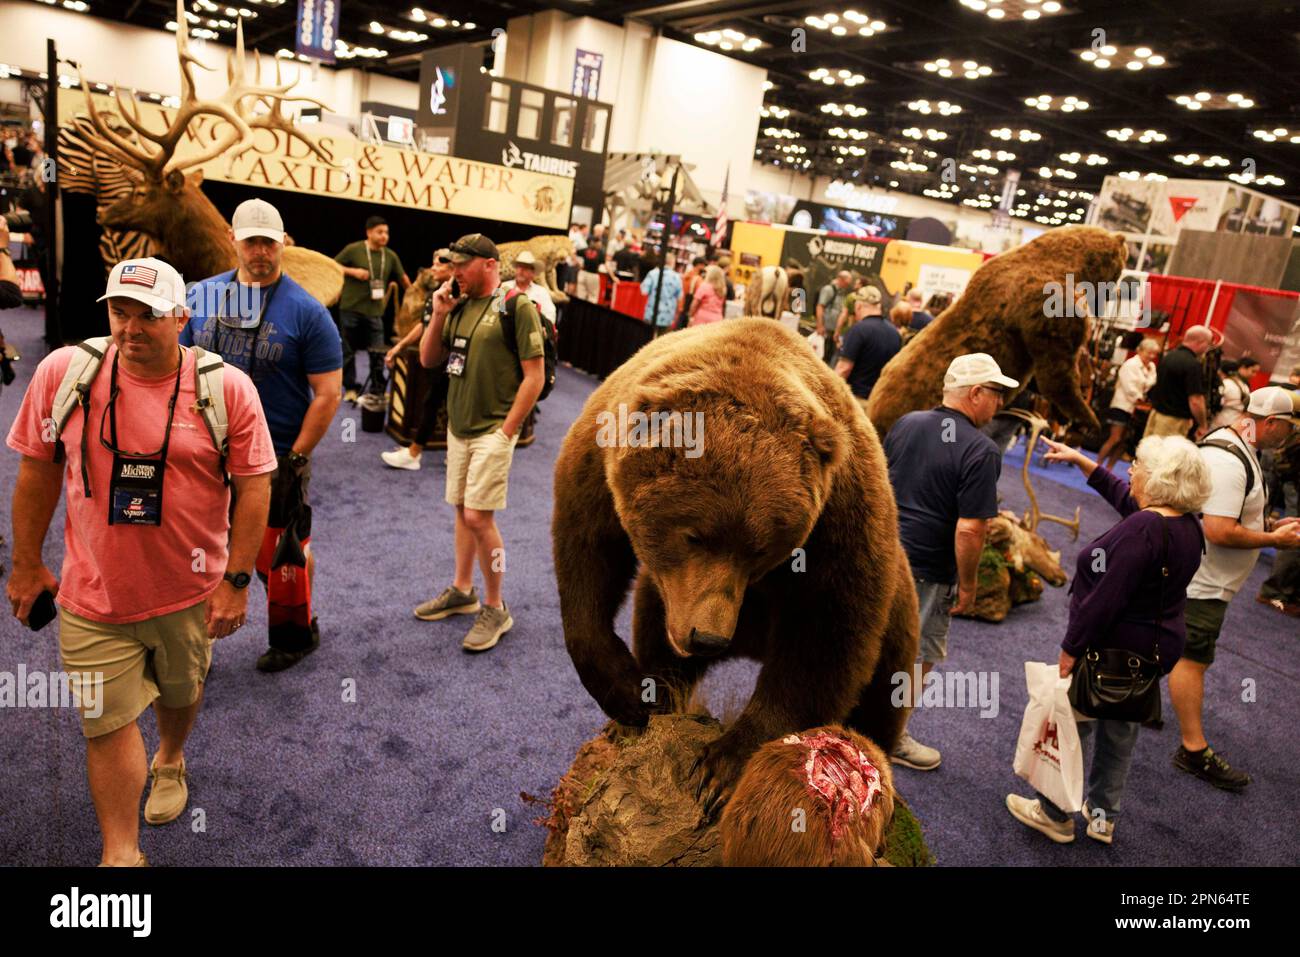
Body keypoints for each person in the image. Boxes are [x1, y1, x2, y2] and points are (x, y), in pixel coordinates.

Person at [6, 257, 276, 865]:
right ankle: (120, 855)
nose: (129, 328)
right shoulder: (64, 373)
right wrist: (25, 564)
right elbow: (36, 469)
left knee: (180, 694)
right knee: (104, 722)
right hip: (92, 594)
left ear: (181, 317)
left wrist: (236, 581)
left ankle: (172, 757)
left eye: (148, 315)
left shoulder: (225, 388)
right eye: (118, 311)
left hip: (188, 592)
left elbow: (255, 485)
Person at [1006, 435, 1211, 844]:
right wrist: (1083, 462)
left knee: (1073, 728)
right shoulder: (1187, 525)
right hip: (1152, 652)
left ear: (1160, 480)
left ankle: (1052, 814)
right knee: (1121, 734)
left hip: (1109, 648)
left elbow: (1105, 600)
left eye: (1137, 465)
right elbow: (1127, 500)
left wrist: (1071, 647)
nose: (1130, 471)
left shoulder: (1143, 529)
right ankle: (1102, 818)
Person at [181, 199, 343, 671]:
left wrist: (296, 457)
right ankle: (194, 649)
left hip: (277, 453)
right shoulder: (202, 296)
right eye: (250, 240)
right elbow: (180, 363)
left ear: (283, 244)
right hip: (206, 448)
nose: (260, 251)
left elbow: (328, 393)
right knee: (199, 546)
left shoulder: (307, 311)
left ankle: (297, 631)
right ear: (233, 240)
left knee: (279, 553)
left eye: (269, 242)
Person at [883, 353, 1016, 770]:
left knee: (868, 644)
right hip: (928, 570)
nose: (999, 404)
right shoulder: (982, 450)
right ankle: (889, 736)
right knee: (917, 656)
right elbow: (970, 530)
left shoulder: (907, 422)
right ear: (975, 393)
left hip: (884, 556)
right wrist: (970, 584)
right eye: (996, 393)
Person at [415, 233, 545, 652]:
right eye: (451, 265)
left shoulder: (515, 306)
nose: (455, 273)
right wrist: (438, 314)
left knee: (478, 517)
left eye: (462, 265)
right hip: (460, 427)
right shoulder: (457, 304)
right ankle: (462, 590)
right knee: (461, 509)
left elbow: (535, 376)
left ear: (489, 264)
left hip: (493, 430)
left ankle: (496, 605)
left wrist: (508, 429)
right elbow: (428, 359)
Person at [1169, 386, 1300, 789]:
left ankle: (1140, 708)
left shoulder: (1238, 446)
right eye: (1291, 428)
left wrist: (1268, 527)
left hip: (1202, 578)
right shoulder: (1230, 458)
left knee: (1181, 652)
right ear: (1272, 423)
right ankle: (1193, 750)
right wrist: (1274, 541)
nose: (1292, 437)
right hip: (1203, 582)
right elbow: (1220, 529)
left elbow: (1228, 516)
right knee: (1192, 658)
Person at [381, 249, 454, 471]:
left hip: (453, 362)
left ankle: (416, 452)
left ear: (453, 267)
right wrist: (399, 346)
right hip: (436, 360)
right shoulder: (437, 293)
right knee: (434, 403)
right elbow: (424, 325)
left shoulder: (460, 293)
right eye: (433, 262)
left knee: (441, 405)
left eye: (439, 263)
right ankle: (427, 452)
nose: (433, 267)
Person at [334, 215, 410, 401]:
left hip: (375, 311)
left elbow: (404, 278)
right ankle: (351, 387)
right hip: (350, 308)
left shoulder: (390, 255)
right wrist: (353, 272)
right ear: (369, 232)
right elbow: (333, 265)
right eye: (380, 232)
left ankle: (377, 388)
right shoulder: (354, 249)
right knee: (348, 350)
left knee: (377, 351)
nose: (384, 236)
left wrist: (416, 294)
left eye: (386, 232)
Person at [1098, 337, 1160, 471]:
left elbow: (1151, 382)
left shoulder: (1151, 367)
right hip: (1122, 406)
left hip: (1136, 409)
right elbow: (1130, 388)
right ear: (1140, 350)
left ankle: (1109, 469)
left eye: (1154, 354)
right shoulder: (1130, 364)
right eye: (1149, 352)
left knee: (1124, 442)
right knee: (1115, 438)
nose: (1151, 356)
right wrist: (1140, 399)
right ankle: (1097, 466)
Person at [1144, 325, 1213, 439]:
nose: (1207, 349)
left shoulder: (1168, 356)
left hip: (1155, 415)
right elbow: (1196, 400)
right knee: (1165, 456)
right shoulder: (1192, 365)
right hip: (1173, 422)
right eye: (1208, 344)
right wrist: (1203, 425)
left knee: (1146, 452)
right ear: (1201, 342)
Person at [835, 289, 899, 408]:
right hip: (879, 404)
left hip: (856, 402)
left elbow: (843, 369)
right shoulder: (894, 333)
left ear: (858, 306)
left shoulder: (858, 330)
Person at [815, 271, 852, 364]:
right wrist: (820, 325)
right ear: (841, 279)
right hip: (825, 329)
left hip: (834, 330)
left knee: (828, 356)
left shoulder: (842, 293)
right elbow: (820, 306)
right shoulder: (829, 289)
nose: (848, 285)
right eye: (847, 283)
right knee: (820, 355)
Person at [639, 252, 683, 331]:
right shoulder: (677, 277)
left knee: (647, 338)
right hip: (667, 315)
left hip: (651, 313)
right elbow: (680, 296)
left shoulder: (653, 273)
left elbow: (644, 291)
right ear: (672, 262)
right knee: (661, 339)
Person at [1211, 357, 1258, 429]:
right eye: (1253, 371)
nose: (1254, 375)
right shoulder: (1245, 386)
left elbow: (1214, 402)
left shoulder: (1226, 384)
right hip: (1233, 424)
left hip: (1220, 421)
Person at [575, 224, 605, 303]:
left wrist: (578, 263)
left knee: (580, 296)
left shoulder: (585, 250)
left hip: (583, 273)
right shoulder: (600, 252)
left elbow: (574, 251)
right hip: (593, 275)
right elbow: (604, 263)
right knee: (593, 297)